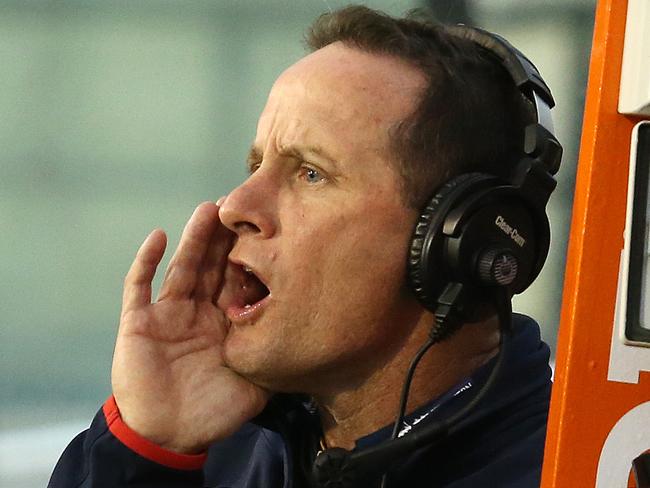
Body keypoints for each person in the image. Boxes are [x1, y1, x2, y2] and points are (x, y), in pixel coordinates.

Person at [48, 5, 559, 488]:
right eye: (256, 166)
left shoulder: (571, 467)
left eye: (311, 173)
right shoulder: (218, 436)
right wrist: (146, 451)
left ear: (455, 242)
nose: (234, 206)